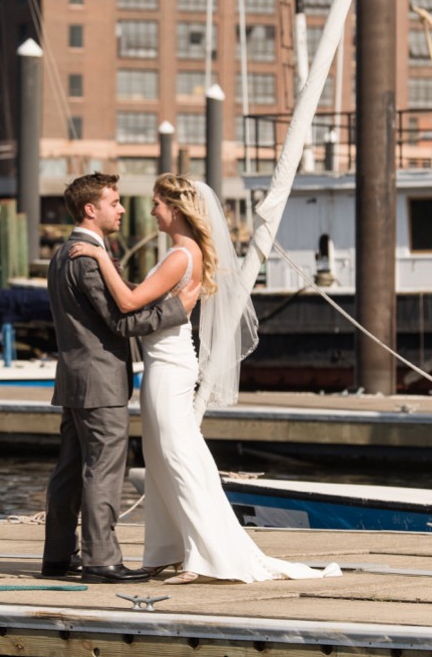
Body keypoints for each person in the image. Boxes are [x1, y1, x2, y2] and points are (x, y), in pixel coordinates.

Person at [71, 174, 341, 584]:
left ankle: (203, 558)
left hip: (170, 366)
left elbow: (127, 302)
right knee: (161, 459)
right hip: (161, 362)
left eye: (157, 203)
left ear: (175, 209)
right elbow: (140, 299)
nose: (151, 211)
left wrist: (98, 256)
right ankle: (169, 549)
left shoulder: (182, 255)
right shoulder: (179, 252)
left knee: (179, 458)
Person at [42, 172, 199, 584]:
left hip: (74, 379)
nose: (123, 209)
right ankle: (101, 560)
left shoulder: (62, 254)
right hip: (100, 381)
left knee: (70, 469)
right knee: (103, 470)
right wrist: (177, 310)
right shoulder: (87, 256)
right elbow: (120, 322)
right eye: (115, 202)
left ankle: (58, 557)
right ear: (91, 210)